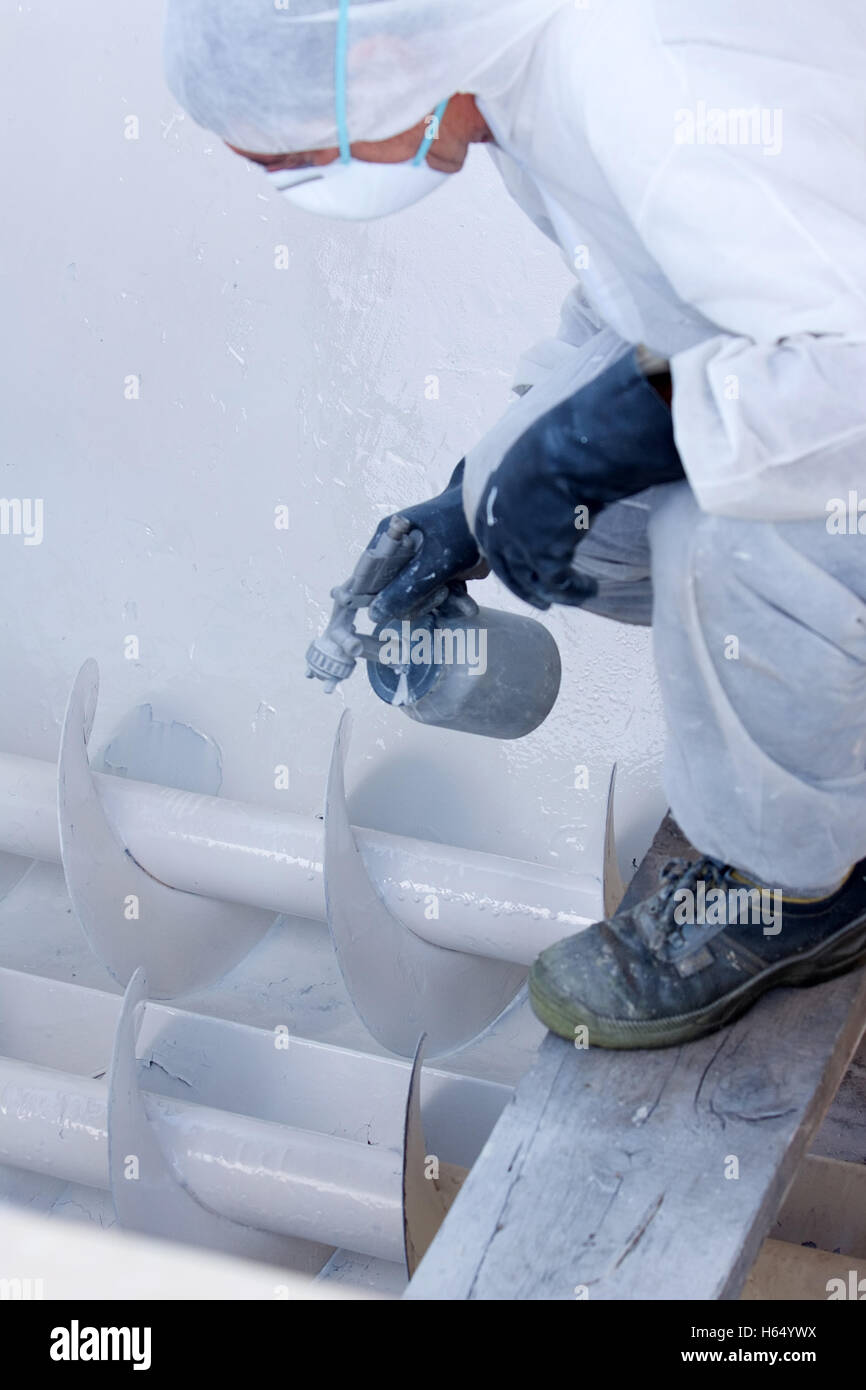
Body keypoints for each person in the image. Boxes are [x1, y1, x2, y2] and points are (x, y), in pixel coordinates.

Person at [164, 0, 866, 1049]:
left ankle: (793, 896)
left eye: (302, 157)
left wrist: (624, 429)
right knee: (558, 477)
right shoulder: (523, 78)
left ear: (388, 58)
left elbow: (843, 364)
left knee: (724, 529)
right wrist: (476, 499)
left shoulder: (643, 73)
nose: (310, 188)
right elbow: (652, 305)